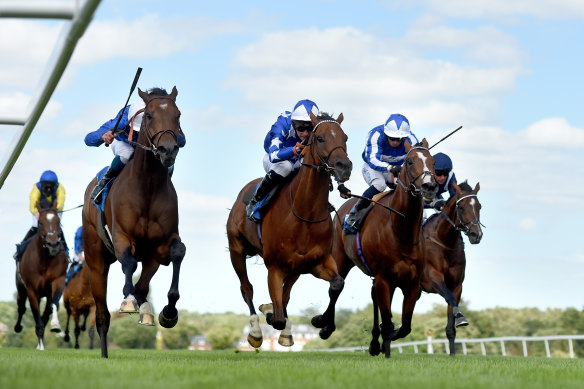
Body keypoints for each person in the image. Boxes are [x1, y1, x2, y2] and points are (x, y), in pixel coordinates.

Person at [84, 87, 186, 202]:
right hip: (124, 143)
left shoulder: (159, 117)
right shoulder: (123, 118)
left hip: (149, 148)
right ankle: (103, 183)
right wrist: (102, 136)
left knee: (168, 163)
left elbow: (182, 142)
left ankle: (163, 189)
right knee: (127, 154)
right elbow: (88, 139)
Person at [246, 99, 320, 222]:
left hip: (298, 160)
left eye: (310, 128)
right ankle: (255, 201)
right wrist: (294, 150)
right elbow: (273, 156)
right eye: (301, 128)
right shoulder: (282, 124)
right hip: (275, 160)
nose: (305, 133)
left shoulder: (318, 129)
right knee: (286, 167)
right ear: (294, 124)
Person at [343, 113, 419, 233]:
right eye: (392, 138)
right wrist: (390, 167)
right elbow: (372, 159)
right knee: (380, 185)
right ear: (386, 134)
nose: (396, 142)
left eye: (399, 139)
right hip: (373, 167)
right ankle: (354, 214)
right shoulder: (375, 135)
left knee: (405, 188)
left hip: (394, 169)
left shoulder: (412, 140)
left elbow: (417, 159)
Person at [13, 170, 66, 261]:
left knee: (56, 226)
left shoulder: (60, 188)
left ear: (55, 185)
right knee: (35, 225)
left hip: (54, 209)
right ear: (41, 185)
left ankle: (66, 250)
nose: (49, 190)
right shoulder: (36, 188)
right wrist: (36, 213)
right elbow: (32, 205)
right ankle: (21, 248)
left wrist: (53, 212)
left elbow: (60, 205)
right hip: (40, 209)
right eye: (46, 187)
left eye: (51, 187)